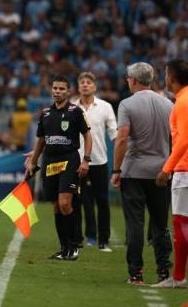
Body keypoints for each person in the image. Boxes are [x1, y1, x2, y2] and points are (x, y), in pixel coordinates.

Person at [111, 62, 172, 284]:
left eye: (128, 77)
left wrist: (116, 170)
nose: (127, 81)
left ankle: (135, 273)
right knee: (160, 224)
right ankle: (165, 271)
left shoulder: (126, 105)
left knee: (134, 224)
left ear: (134, 80)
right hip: (162, 172)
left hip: (134, 171)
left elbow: (122, 139)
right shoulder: (169, 104)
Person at [25, 75, 92, 260]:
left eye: (62, 89)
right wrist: (33, 161)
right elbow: (41, 140)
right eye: (55, 88)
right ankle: (64, 249)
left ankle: (74, 245)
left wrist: (86, 159)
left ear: (69, 92)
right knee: (55, 206)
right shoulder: (45, 113)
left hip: (69, 160)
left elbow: (87, 136)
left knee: (65, 203)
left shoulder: (75, 111)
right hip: (50, 162)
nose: (57, 91)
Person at [153, 59, 188, 289]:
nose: (165, 78)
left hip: (184, 171)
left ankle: (178, 278)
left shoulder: (183, 102)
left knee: (180, 224)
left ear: (171, 77)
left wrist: (167, 169)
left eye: (165, 73)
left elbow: (184, 139)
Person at [73, 72, 117, 252]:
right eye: (82, 82)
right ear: (78, 87)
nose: (85, 85)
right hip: (76, 161)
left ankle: (103, 241)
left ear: (95, 87)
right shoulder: (71, 108)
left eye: (89, 82)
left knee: (102, 201)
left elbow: (114, 133)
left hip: (99, 161)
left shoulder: (105, 107)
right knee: (77, 201)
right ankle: (78, 239)